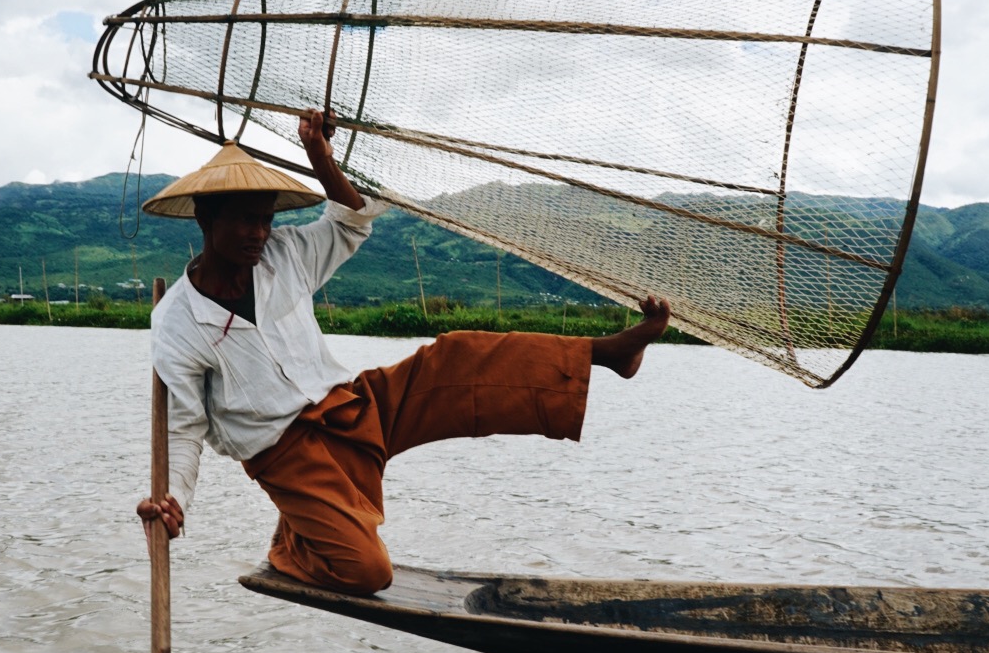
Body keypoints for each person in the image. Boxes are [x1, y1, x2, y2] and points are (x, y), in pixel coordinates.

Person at [139, 110, 670, 595]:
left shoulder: (285, 254)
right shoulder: (178, 320)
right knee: (367, 573)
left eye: (265, 218)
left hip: (352, 405)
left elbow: (350, 220)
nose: (259, 233)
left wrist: (322, 161)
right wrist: (173, 504)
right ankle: (291, 547)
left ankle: (605, 353)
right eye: (244, 221)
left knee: (459, 357)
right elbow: (183, 429)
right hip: (288, 453)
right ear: (206, 222)